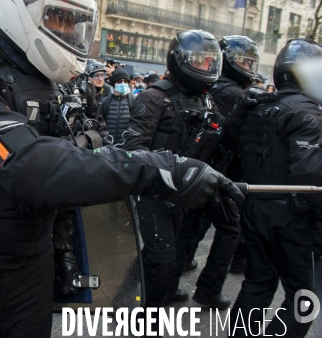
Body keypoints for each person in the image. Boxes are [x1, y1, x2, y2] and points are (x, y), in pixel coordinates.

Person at [0, 0, 242, 338]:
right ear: (20, 0)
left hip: (31, 264)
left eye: (77, 22)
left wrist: (62, 250)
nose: (69, 32)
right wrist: (156, 169)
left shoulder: (52, 84)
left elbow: (75, 165)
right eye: (59, 18)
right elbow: (33, 168)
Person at [124, 30, 241, 310]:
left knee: (168, 255)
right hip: (156, 191)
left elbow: (222, 136)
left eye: (209, 62)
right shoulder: (154, 97)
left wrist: (244, 113)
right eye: (198, 61)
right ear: (180, 60)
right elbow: (135, 148)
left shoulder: (205, 99)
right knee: (161, 258)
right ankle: (144, 316)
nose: (205, 67)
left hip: (187, 191)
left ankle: (132, 294)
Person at [226, 38, 322, 338]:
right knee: (304, 297)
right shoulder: (307, 112)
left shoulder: (258, 107)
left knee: (258, 282)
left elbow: (230, 149)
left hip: (255, 207)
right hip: (292, 213)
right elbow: (310, 173)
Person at [184, 36, 261, 276]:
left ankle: (182, 262)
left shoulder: (212, 87)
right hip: (225, 167)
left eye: (250, 62)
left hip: (204, 163)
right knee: (230, 226)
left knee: (196, 220)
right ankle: (211, 283)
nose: (248, 68)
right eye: (244, 62)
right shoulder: (236, 94)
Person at [100, 67, 135, 145]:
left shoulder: (134, 101)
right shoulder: (104, 102)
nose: (123, 84)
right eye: (119, 81)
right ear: (114, 84)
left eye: (125, 81)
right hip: (108, 146)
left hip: (126, 147)